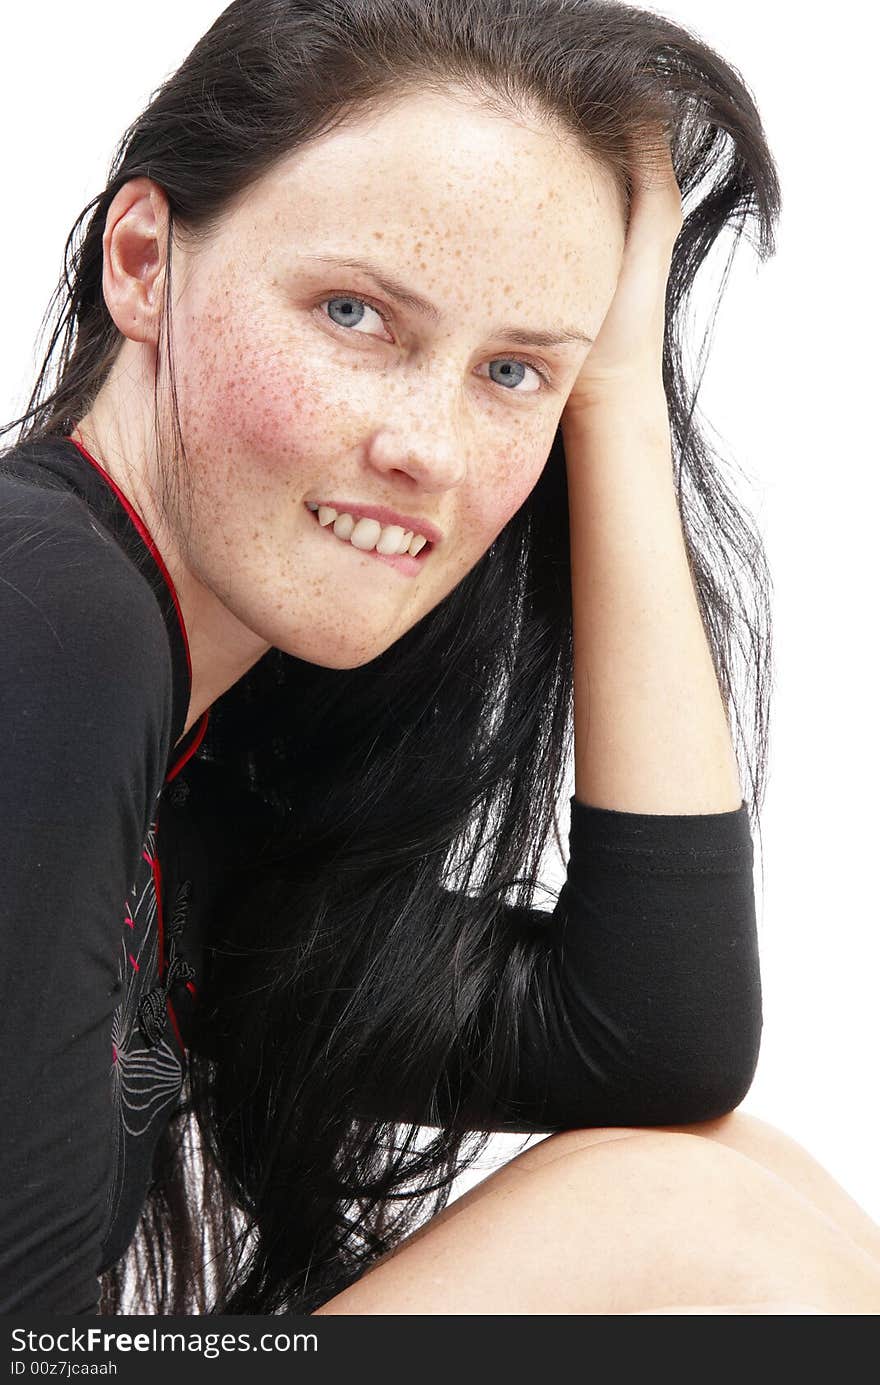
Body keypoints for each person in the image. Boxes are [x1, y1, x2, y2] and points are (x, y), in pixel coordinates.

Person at [1, 0, 878, 1317]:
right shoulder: (53, 618)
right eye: (355, 312)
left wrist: (620, 387)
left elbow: (655, 1036)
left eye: (513, 371)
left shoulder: (195, 751)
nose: (434, 448)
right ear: (143, 261)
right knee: (700, 1232)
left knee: (732, 1177)